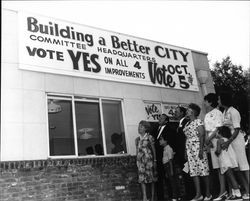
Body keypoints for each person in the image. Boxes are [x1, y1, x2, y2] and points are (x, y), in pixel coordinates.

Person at [218, 92, 249, 200]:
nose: (218, 101)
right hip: (229, 140)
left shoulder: (234, 111)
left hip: (236, 140)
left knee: (243, 165)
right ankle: (242, 190)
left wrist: (229, 141)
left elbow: (236, 129)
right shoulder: (224, 112)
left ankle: (248, 191)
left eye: (219, 99)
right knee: (236, 167)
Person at [183, 103, 212, 201]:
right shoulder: (187, 123)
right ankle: (198, 194)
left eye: (188, 109)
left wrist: (200, 149)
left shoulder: (198, 121)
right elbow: (186, 138)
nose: (187, 111)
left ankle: (208, 194)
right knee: (194, 172)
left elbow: (202, 135)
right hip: (189, 149)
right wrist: (185, 151)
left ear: (193, 112)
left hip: (198, 147)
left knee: (203, 170)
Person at [203, 93, 227, 200]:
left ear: (210, 102)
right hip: (211, 143)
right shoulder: (206, 115)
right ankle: (222, 191)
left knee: (224, 166)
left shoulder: (218, 113)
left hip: (218, 140)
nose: (205, 103)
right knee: (217, 167)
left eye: (206, 101)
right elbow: (207, 130)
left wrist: (209, 138)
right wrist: (208, 141)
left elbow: (218, 128)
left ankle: (226, 190)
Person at [215, 126, 242, 201]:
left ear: (220, 133)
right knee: (231, 177)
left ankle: (238, 195)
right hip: (230, 161)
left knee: (231, 178)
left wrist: (216, 152)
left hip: (225, 162)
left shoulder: (219, 141)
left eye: (217, 131)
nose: (216, 133)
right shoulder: (227, 140)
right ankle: (234, 194)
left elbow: (218, 151)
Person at [152, 114, 175, 201]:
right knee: (159, 177)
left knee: (168, 177)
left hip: (165, 156)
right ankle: (160, 198)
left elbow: (170, 142)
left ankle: (172, 196)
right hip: (157, 157)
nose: (159, 119)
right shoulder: (155, 129)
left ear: (166, 121)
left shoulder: (170, 130)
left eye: (162, 118)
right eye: (159, 118)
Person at [174, 106, 195, 200]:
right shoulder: (178, 124)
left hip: (186, 153)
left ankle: (192, 193)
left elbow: (185, 138)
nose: (175, 113)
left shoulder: (186, 123)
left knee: (188, 173)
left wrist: (185, 152)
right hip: (180, 154)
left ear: (182, 113)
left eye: (177, 112)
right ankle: (188, 193)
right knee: (184, 173)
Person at [135, 120, 157, 201]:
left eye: (141, 127)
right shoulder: (137, 139)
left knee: (151, 178)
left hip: (148, 161)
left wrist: (155, 160)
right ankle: (144, 197)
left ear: (145, 128)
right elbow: (137, 151)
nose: (139, 128)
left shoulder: (149, 137)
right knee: (142, 179)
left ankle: (152, 197)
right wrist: (136, 160)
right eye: (138, 126)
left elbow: (153, 149)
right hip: (140, 162)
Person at [159, 134, 178, 201]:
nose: (160, 141)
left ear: (166, 141)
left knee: (173, 182)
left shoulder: (169, 148)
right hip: (166, 167)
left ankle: (175, 196)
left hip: (169, 166)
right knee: (170, 182)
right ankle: (175, 195)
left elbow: (170, 160)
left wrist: (171, 170)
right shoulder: (164, 149)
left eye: (161, 139)